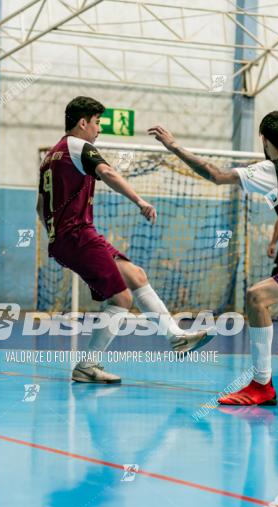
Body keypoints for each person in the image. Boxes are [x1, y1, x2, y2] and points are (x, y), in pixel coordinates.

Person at [149, 111, 278, 405]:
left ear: (264, 140)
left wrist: (175, 146)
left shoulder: (272, 171)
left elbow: (215, 174)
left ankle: (261, 386)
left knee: (257, 297)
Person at [37, 96, 210, 384]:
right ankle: (87, 366)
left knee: (136, 275)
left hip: (70, 236)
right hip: (78, 234)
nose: (99, 129)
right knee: (122, 297)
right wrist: (139, 200)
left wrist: (54, 235)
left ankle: (177, 337)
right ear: (83, 122)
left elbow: (40, 206)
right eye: (97, 122)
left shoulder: (50, 156)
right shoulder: (80, 146)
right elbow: (106, 171)